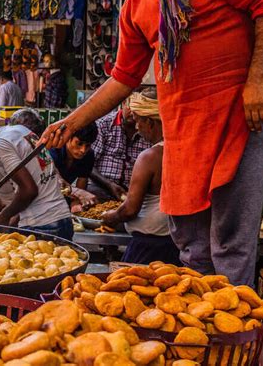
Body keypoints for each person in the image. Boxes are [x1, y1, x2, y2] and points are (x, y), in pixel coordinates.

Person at [43, 0, 263, 286]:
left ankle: (235, 343)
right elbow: (123, 78)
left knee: (231, 245)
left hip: (240, 117)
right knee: (193, 247)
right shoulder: (135, 4)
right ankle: (201, 338)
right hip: (183, 134)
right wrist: (72, 120)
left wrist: (259, 80)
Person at [0, 114, 73, 239]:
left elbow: (29, 190)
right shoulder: (20, 130)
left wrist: (3, 216)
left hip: (42, 225)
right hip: (62, 218)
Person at [102, 88, 180, 265]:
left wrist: (110, 216)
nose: (137, 127)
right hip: (175, 242)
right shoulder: (181, 150)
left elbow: (129, 210)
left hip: (148, 245)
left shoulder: (149, 157)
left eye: (138, 122)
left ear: (150, 122)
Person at [89, 99, 151, 201]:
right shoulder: (104, 124)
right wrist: (109, 185)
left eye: (137, 108)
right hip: (101, 186)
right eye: (130, 105)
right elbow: (88, 165)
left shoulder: (147, 130)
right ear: (123, 103)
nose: (132, 111)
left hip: (133, 192)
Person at [49, 122, 99, 210]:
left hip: (63, 196)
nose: (83, 150)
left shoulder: (89, 155)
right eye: (79, 144)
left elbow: (82, 181)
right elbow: (53, 180)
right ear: (68, 138)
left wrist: (76, 203)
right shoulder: (53, 150)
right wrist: (78, 193)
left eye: (87, 146)